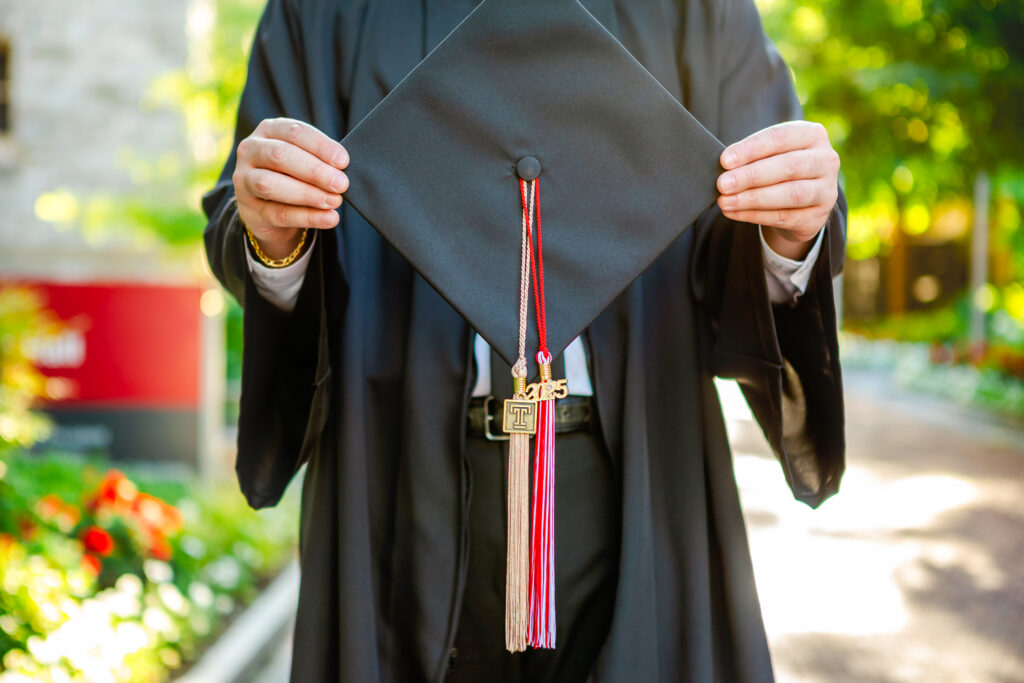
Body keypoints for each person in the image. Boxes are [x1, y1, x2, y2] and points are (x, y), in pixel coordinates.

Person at [203, 0, 847, 680]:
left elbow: (742, 224)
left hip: (640, 474)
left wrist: (789, 227)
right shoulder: (326, 10)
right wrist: (274, 235)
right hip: (395, 473)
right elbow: (245, 214)